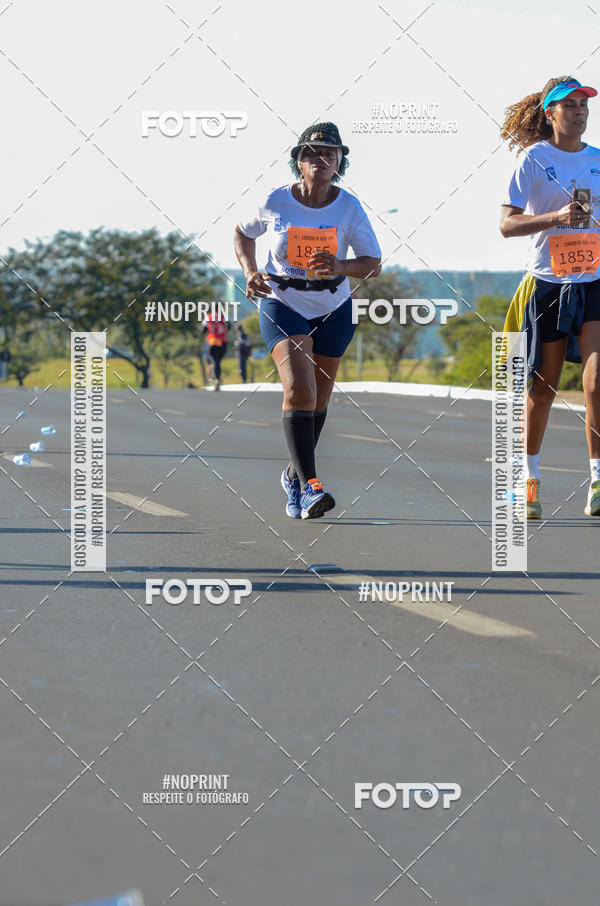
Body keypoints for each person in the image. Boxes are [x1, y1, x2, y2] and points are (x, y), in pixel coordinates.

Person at [234, 122, 382, 519]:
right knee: (299, 391)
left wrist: (340, 264)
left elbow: (372, 265)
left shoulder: (347, 206)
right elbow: (242, 233)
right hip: (283, 301)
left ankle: (293, 476)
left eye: (330, 154)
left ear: (339, 164)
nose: (322, 160)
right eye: (314, 153)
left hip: (333, 305)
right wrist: (250, 271)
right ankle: (312, 487)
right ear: (299, 161)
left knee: (317, 399)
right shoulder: (276, 201)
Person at [500, 77, 600, 519]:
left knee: (597, 382)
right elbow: (506, 224)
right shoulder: (534, 160)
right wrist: (557, 217)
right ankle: (530, 479)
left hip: (594, 281)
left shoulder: (599, 160)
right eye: (571, 105)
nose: (580, 112)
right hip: (548, 284)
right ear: (550, 113)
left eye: (584, 105)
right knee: (543, 387)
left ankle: (598, 480)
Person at [202, 314, 229, 390]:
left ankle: (216, 379)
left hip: (213, 341)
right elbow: (228, 326)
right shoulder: (224, 317)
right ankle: (216, 379)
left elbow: (204, 328)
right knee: (217, 362)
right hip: (223, 342)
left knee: (214, 362)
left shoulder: (208, 317)